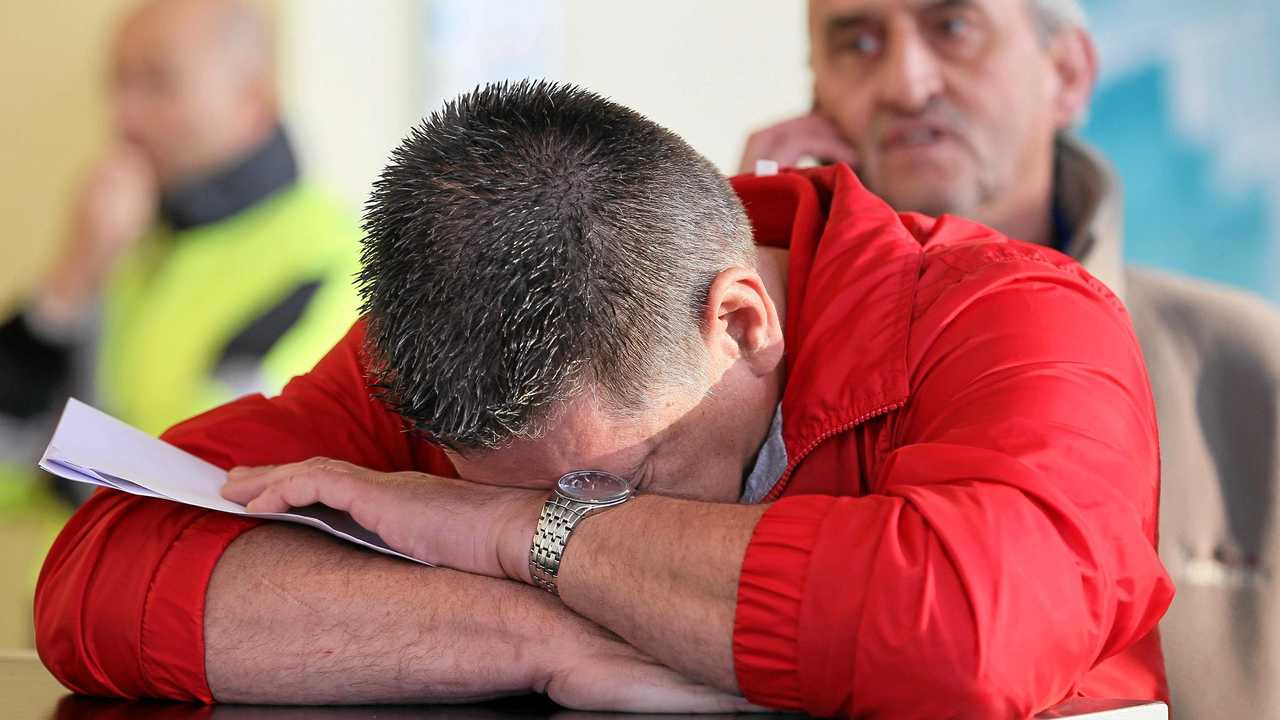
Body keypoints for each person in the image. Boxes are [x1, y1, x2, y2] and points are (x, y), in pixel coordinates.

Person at [35, 81, 1173, 718]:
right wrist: (532, 629)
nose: (562, 507)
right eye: (512, 488)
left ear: (740, 323)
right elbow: (106, 572)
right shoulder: (443, 342)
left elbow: (964, 636)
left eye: (605, 479)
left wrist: (506, 529)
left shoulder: (1019, 316)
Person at [739, 1, 1280, 716]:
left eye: (953, 28)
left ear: (1068, 74)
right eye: (859, 43)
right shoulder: (747, 348)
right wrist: (741, 248)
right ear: (819, 101)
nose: (905, 83)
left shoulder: (1251, 366)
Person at [0, 0, 360, 444]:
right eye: (117, 83)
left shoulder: (330, 260)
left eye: (158, 82)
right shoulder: (119, 238)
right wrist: (69, 280)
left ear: (253, 98)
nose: (122, 116)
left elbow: (216, 464)